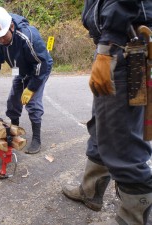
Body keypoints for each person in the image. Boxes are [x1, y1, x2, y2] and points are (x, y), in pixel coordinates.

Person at [62, 1, 152, 224]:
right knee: (101, 126)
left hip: (125, 45)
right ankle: (92, 191)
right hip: (114, 45)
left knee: (121, 141)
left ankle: (134, 217)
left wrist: (108, 45)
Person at [0, 6, 53, 154]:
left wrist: (32, 87)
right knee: (13, 101)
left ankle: (36, 139)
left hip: (38, 71)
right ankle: (14, 129)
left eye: (3, 36)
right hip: (19, 70)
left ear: (12, 27)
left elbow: (42, 63)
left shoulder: (28, 36)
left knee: (32, 104)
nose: (1, 40)